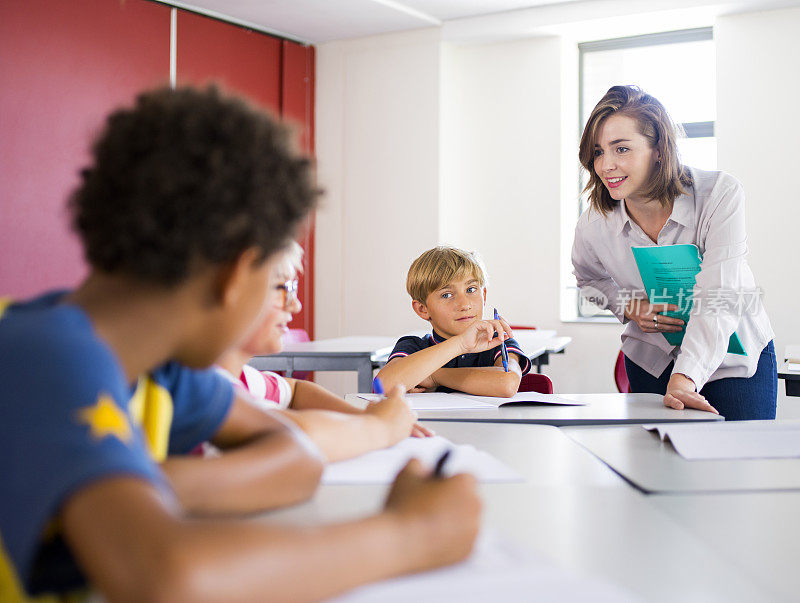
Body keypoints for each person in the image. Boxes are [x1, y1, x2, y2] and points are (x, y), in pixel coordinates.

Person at [0, 86, 480, 602]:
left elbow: (296, 458)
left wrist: (153, 482)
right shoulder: (44, 355)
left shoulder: (162, 365)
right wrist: (409, 536)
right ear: (235, 274)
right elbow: (167, 579)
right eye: (276, 281)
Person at [572, 85, 777, 420]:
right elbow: (588, 279)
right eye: (597, 152)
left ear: (659, 150)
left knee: (739, 466)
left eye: (621, 149)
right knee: (659, 468)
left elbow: (719, 293)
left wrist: (685, 378)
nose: (606, 165)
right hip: (652, 358)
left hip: (732, 356)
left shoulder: (719, 194)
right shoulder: (594, 223)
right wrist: (627, 305)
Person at [214, 241, 434, 460]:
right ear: (231, 291)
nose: (295, 305)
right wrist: (380, 427)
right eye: (283, 288)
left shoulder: (242, 378)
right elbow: (294, 441)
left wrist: (365, 416)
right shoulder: (207, 389)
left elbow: (295, 390)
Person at [377, 245, 531, 397]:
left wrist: (434, 376)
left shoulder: (497, 340)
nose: (465, 305)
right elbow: (383, 385)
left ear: (483, 296)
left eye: (471, 290)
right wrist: (460, 344)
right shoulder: (413, 346)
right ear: (422, 309)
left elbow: (507, 384)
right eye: (447, 295)